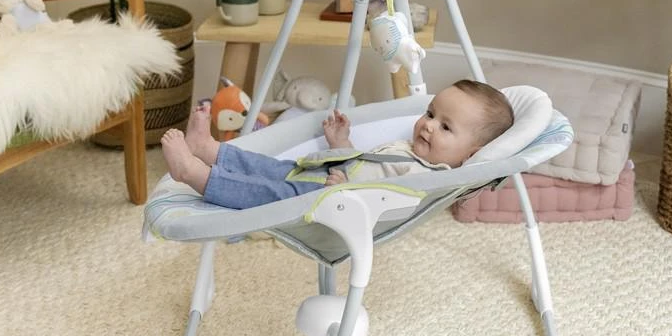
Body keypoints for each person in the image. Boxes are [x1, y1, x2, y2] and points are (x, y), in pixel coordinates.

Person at [160, 79, 514, 210]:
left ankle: (193, 174)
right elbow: (365, 164)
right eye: (431, 113)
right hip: (322, 174)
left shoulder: (428, 178)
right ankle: (208, 149)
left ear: (471, 154)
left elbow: (385, 200)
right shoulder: (410, 149)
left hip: (325, 199)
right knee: (264, 166)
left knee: (261, 192)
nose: (428, 125)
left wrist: (347, 192)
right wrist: (341, 143)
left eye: (446, 127)